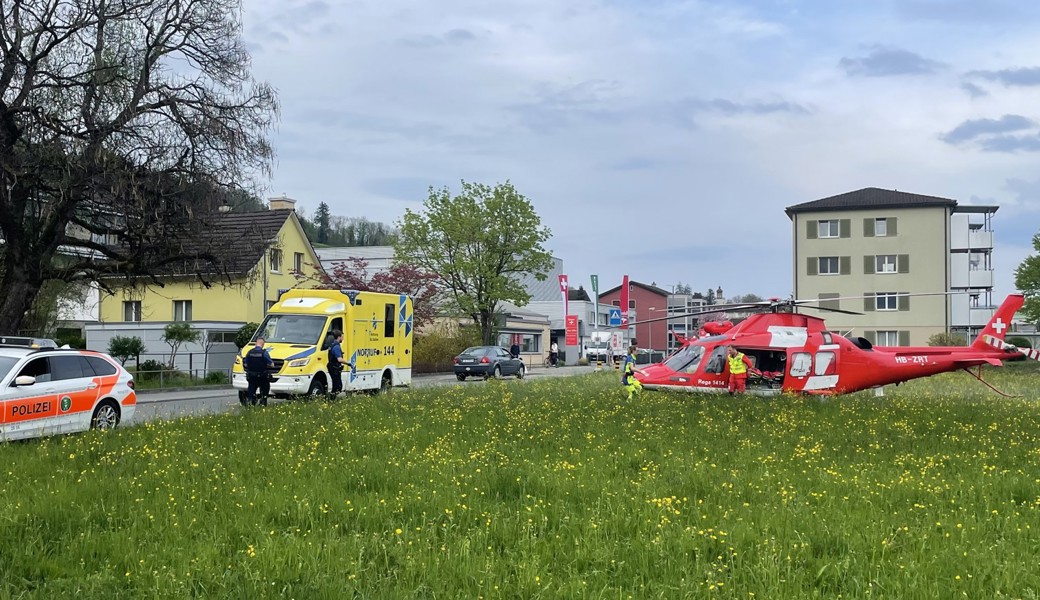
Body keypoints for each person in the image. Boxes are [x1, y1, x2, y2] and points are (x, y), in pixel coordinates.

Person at [242, 337, 274, 406]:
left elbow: (245, 364)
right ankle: (262, 402)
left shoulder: (249, 352)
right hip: (262, 377)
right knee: (265, 390)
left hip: (252, 376)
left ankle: (251, 404)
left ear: (256, 343)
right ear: (263, 344)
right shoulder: (264, 353)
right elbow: (272, 364)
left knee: (251, 391)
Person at [327, 329, 345, 398]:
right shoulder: (336, 346)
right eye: (342, 336)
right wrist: (349, 363)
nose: (343, 338)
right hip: (334, 367)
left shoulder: (332, 344)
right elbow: (339, 359)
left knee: (336, 385)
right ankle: (330, 400)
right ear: (339, 337)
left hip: (332, 366)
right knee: (338, 386)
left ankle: (331, 399)